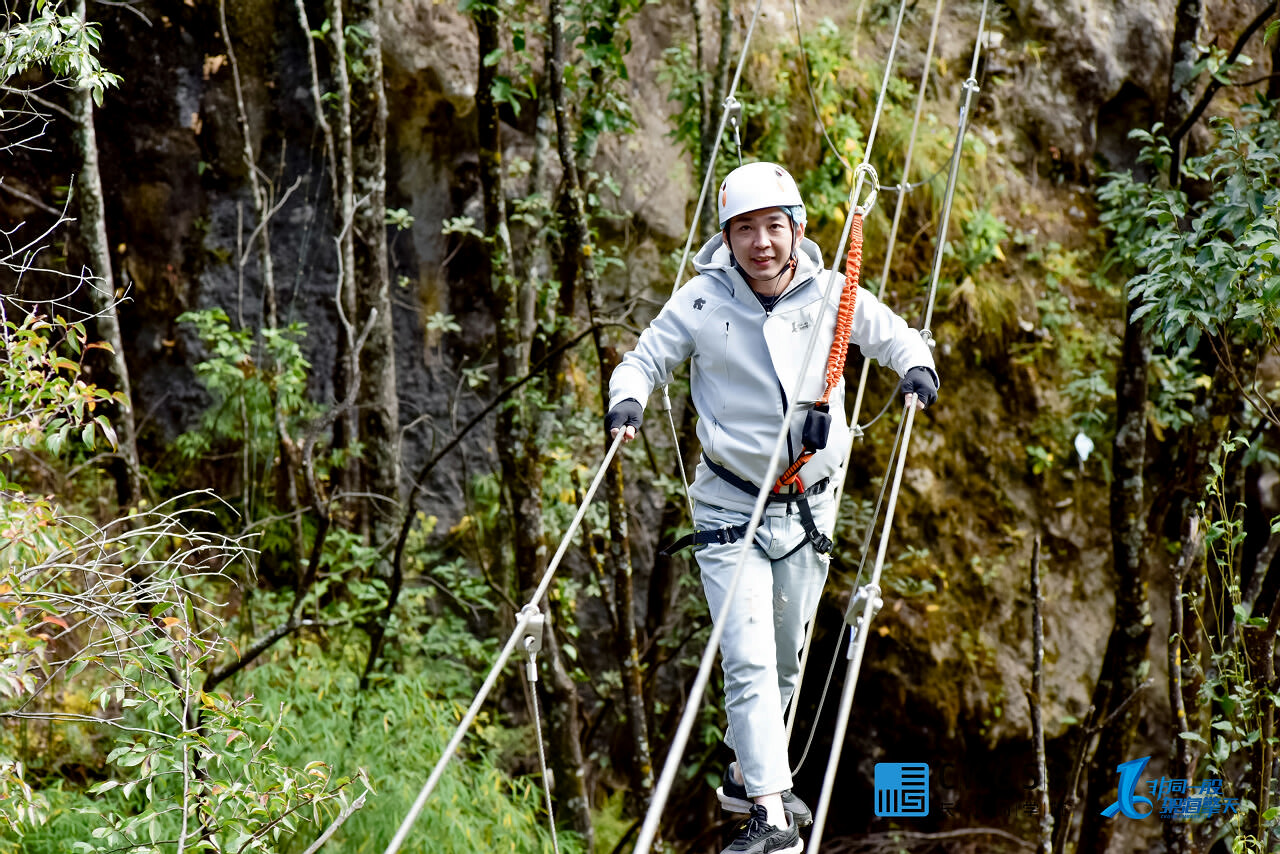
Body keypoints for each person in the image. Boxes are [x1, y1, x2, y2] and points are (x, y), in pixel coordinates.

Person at [605, 161, 937, 854]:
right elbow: (643, 359)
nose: (761, 243)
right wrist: (626, 401)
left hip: (806, 510)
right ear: (725, 238)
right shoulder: (700, 301)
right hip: (729, 506)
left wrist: (916, 369)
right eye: (745, 229)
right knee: (748, 654)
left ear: (798, 229)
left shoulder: (833, 296)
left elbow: (898, 336)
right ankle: (770, 818)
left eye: (774, 227)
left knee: (785, 661)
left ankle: (744, 768)